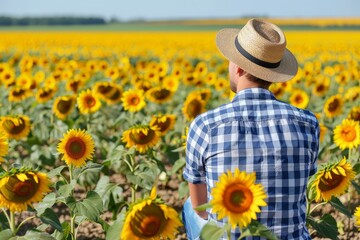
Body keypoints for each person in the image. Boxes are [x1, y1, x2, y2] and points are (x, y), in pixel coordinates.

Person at [182, 18, 320, 240]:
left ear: (237, 67)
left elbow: (200, 208)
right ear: (272, 74)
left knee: (190, 206)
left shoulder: (205, 125)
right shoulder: (308, 123)